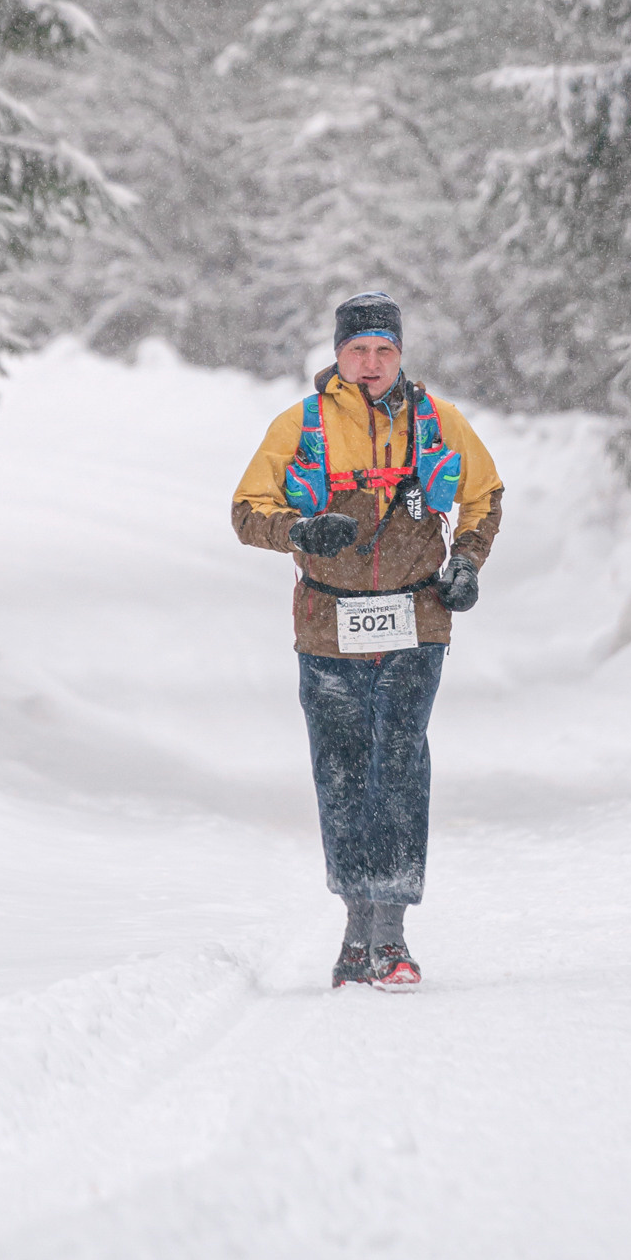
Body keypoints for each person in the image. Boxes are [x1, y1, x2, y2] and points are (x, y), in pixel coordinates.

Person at [232, 291, 503, 990]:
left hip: (417, 622)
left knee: (400, 766)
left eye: (384, 349)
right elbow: (246, 510)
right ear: (338, 354)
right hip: (327, 627)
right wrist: (297, 531)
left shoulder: (440, 422)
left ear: (401, 353)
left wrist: (467, 561)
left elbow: (485, 495)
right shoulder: (302, 424)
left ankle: (393, 935)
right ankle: (357, 932)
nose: (372, 362)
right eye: (359, 349)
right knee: (344, 773)